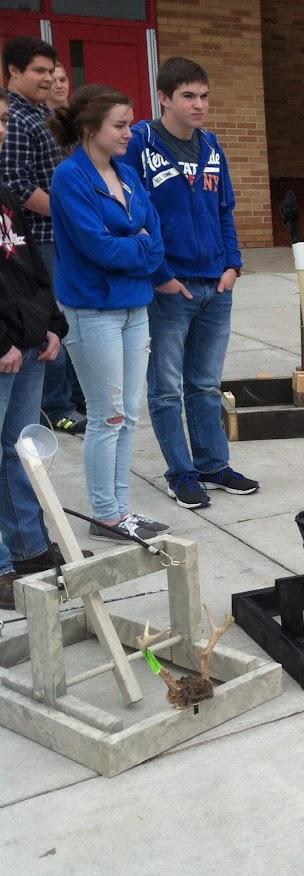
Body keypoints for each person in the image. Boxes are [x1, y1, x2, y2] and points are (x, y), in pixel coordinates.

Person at [124, 56, 259, 512]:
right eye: (188, 96)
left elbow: (225, 211)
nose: (199, 105)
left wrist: (233, 265)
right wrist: (159, 276)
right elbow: (131, 216)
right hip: (170, 287)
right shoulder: (139, 143)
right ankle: (180, 472)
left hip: (215, 284)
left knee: (204, 383)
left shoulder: (213, 146)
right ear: (164, 98)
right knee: (165, 387)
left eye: (204, 96)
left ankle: (212, 465)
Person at [49, 84, 168, 542]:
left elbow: (154, 240)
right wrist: (136, 242)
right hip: (93, 309)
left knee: (130, 411)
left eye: (130, 123)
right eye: (120, 125)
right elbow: (96, 247)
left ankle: (121, 511)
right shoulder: (70, 177)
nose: (130, 133)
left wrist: (135, 243)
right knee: (108, 414)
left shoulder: (129, 174)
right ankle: (105, 514)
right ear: (89, 127)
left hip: (135, 305)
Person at [0, 88, 84, 609]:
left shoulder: (5, 194)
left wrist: (52, 324)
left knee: (20, 453)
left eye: (4, 119)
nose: (3, 128)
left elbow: (29, 265)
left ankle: (30, 550)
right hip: (4, 347)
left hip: (29, 343)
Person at [0, 36, 84, 435]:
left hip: (53, 237)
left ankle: (59, 401)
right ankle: (56, 406)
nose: (49, 78)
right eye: (39, 71)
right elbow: (16, 182)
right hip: (33, 238)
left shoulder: (38, 114)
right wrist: (71, 214)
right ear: (13, 71)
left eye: (52, 71)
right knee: (37, 325)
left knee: (53, 321)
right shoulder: (15, 117)